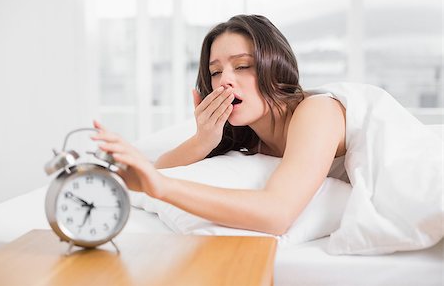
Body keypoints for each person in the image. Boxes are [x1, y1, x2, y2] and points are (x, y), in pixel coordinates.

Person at [91, 14, 346, 235]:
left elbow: (277, 214)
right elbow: (158, 169)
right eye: (215, 72)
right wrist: (202, 140)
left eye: (242, 66)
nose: (225, 80)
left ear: (276, 68)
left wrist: (163, 188)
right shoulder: (253, 140)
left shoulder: (317, 111)